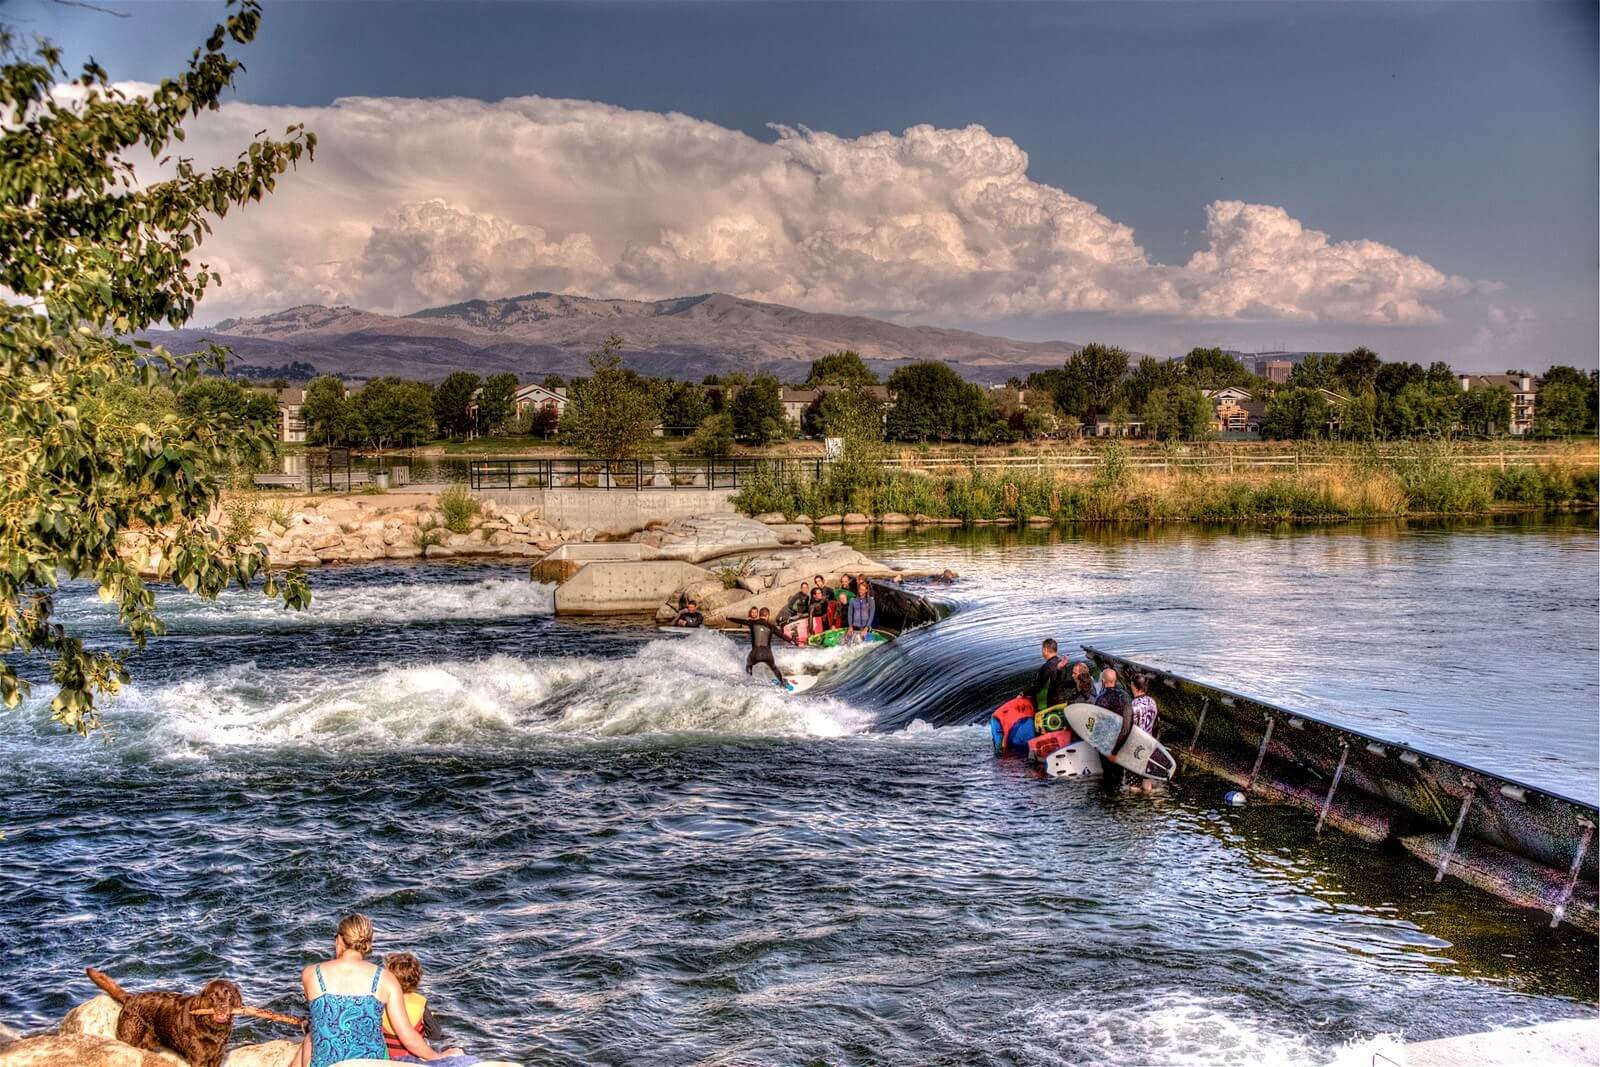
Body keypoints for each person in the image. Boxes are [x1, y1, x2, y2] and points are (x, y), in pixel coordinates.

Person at [291, 914, 463, 1067]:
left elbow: (325, 1017)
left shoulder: (311, 974)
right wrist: (438, 1057)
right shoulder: (385, 979)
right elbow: (407, 1037)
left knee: (311, 1038)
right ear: (367, 944)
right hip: (373, 1062)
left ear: (339, 941)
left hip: (326, 1062)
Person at [381, 954, 475, 1064]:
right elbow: (435, 1034)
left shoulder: (381, 1002)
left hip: (387, 1057)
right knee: (458, 1053)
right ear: (417, 979)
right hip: (413, 1058)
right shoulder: (420, 1003)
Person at [733, 606, 790, 688]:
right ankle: (781, 682)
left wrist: (728, 618)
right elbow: (783, 636)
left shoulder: (753, 623)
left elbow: (740, 620)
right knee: (773, 667)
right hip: (767, 654)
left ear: (759, 615)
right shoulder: (771, 626)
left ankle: (749, 682)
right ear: (768, 615)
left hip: (755, 654)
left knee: (749, 664)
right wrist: (793, 641)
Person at [1025, 639, 1067, 708]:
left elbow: (1037, 687)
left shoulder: (1046, 667)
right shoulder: (1062, 663)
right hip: (1061, 699)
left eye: (1042, 649)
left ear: (1045, 650)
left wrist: (1023, 693)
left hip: (1046, 704)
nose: (1042, 652)